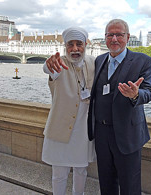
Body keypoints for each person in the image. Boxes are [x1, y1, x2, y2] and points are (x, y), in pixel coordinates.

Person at [88, 19, 151, 194]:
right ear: (105, 38)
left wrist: (135, 95)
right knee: (106, 182)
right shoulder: (99, 60)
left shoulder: (142, 61)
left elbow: (149, 91)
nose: (115, 39)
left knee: (130, 185)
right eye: (110, 35)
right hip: (102, 134)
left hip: (128, 133)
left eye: (119, 34)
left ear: (128, 37)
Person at [41, 26, 95, 195]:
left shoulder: (94, 62)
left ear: (86, 44)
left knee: (81, 172)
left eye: (79, 44)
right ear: (64, 46)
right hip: (60, 129)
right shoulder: (59, 63)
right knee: (59, 174)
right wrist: (48, 65)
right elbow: (48, 69)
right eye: (70, 44)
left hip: (83, 131)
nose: (75, 49)